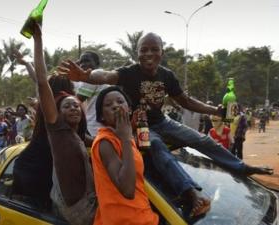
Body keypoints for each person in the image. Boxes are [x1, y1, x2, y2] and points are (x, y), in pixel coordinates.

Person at [59, 32, 273, 214]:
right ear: (137, 53)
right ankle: (189, 192)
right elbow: (105, 75)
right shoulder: (128, 73)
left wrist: (214, 110)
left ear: (162, 52)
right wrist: (86, 77)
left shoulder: (167, 76)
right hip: (140, 126)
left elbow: (185, 101)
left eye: (153, 49)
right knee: (158, 148)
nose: (148, 54)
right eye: (143, 50)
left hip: (163, 121)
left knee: (201, 140)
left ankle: (241, 166)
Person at [32, 23, 96, 225]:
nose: (74, 108)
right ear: (56, 113)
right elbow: (42, 82)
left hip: (87, 203)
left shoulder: (79, 135)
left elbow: (96, 142)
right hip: (74, 213)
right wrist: (38, 39)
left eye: (76, 105)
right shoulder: (57, 130)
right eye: (67, 107)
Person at [11, 57, 76, 210]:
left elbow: (38, 79)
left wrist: (27, 63)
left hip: (30, 166)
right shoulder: (57, 107)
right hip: (36, 172)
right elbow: (40, 80)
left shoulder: (56, 105)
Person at [91, 86, 159, 225]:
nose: (116, 106)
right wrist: (127, 138)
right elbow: (128, 190)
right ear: (102, 115)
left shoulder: (125, 135)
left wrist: (128, 135)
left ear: (129, 109)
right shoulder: (105, 142)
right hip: (125, 220)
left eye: (120, 101)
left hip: (142, 215)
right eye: (108, 105)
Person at [76, 51, 109, 137]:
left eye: (86, 61)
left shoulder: (93, 75)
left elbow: (76, 100)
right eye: (81, 62)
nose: (82, 65)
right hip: (102, 127)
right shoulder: (103, 75)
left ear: (97, 63)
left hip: (93, 128)